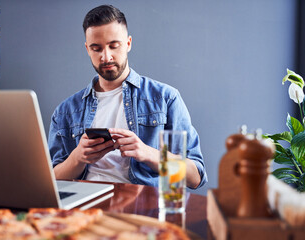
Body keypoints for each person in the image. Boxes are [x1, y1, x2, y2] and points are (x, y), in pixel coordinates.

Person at [48, 5, 207, 189]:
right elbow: (51, 181)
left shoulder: (165, 99)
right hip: (85, 207)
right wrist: (77, 158)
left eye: (113, 46)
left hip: (143, 207)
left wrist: (147, 153)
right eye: (96, 48)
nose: (106, 57)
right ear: (87, 49)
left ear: (128, 43)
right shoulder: (65, 112)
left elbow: (194, 177)